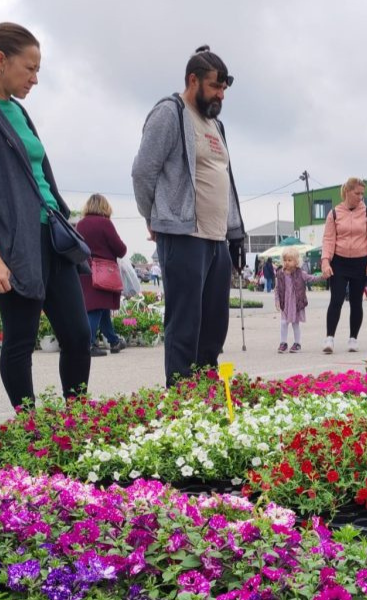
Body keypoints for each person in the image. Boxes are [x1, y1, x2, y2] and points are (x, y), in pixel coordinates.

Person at [0, 22, 91, 411]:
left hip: (52, 238)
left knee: (78, 335)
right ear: (0, 60)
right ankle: (29, 427)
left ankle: (77, 419)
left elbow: (40, 175)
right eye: (29, 69)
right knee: (20, 340)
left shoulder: (19, 111)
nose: (35, 78)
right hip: (14, 245)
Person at [132, 45, 247, 385]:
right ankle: (181, 398)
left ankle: (206, 391)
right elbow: (143, 171)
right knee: (185, 324)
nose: (220, 95)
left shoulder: (216, 125)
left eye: (224, 88)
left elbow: (226, 180)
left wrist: (235, 232)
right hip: (184, 235)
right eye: (214, 86)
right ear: (192, 80)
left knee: (214, 325)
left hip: (216, 238)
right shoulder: (170, 113)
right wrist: (152, 217)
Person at [320, 177, 367, 354]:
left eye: (362, 194)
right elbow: (328, 239)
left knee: (356, 302)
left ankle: (353, 338)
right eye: (357, 193)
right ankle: (329, 337)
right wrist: (325, 261)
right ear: (347, 191)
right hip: (339, 262)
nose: (360, 197)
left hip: (360, 263)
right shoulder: (334, 213)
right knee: (336, 300)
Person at [76, 193, 128, 357]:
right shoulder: (105, 224)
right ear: (105, 207)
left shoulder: (81, 224)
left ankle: (113, 341)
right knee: (96, 309)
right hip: (103, 271)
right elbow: (120, 249)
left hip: (85, 270)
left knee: (100, 307)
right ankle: (89, 345)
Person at [274, 247, 323, 353]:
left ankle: (297, 343)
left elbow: (311, 278)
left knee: (295, 323)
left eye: (289, 260)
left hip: (296, 303)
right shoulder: (280, 274)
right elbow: (277, 289)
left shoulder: (301, 273)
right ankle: (283, 343)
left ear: (296, 261)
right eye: (285, 260)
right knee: (283, 323)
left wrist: (322, 277)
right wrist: (277, 301)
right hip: (285, 303)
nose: (286, 262)